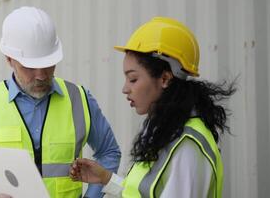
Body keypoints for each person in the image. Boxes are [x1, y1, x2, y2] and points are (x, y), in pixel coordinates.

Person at [0, 6, 121, 198]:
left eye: (48, 64)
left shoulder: (79, 99)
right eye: (30, 67)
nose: (41, 75)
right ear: (9, 59)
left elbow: (109, 152)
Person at [69, 17, 236, 198]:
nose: (125, 89)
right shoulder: (165, 130)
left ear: (164, 78)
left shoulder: (187, 145)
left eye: (133, 79)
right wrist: (107, 179)